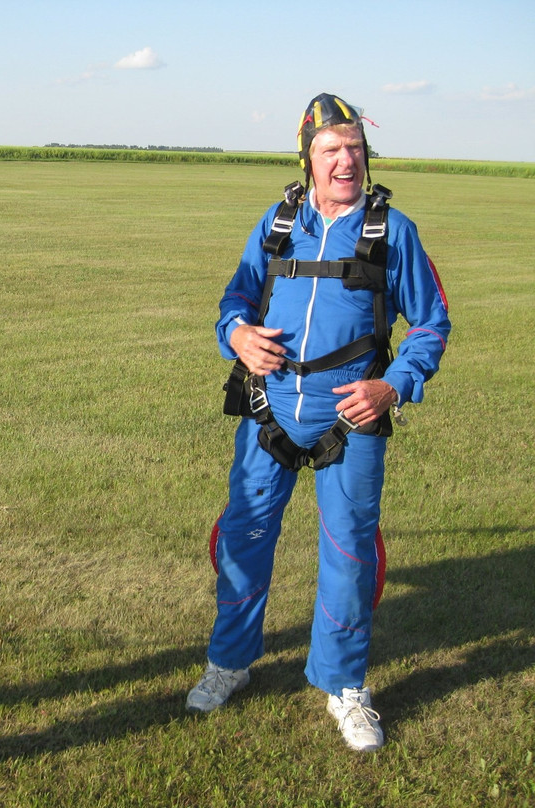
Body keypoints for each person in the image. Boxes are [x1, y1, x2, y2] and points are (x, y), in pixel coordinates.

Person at [185, 93, 450, 752]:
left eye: (355, 149)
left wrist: (393, 385)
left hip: (350, 415)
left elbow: (431, 323)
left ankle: (344, 685)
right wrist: (237, 336)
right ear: (307, 157)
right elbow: (235, 299)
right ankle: (229, 663)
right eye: (332, 149)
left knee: (350, 553)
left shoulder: (394, 231)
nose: (346, 161)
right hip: (267, 409)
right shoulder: (278, 223)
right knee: (244, 539)